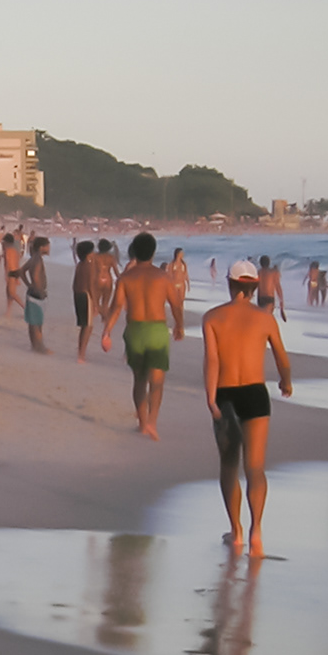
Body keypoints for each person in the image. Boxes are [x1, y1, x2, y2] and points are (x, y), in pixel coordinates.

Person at [202, 261, 292, 557]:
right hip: (255, 393)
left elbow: (212, 360)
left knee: (229, 466)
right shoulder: (265, 319)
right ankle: (256, 531)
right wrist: (286, 382)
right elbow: (281, 357)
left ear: (229, 284)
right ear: (254, 287)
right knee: (255, 467)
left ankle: (236, 530)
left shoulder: (212, 317)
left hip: (225, 394)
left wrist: (211, 398)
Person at [100, 232, 187, 440]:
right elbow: (176, 304)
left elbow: (117, 307)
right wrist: (179, 326)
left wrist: (107, 331)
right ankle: (152, 422)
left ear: (134, 252)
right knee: (157, 380)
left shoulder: (126, 278)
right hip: (157, 330)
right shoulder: (163, 277)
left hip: (135, 330)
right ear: (153, 252)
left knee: (139, 379)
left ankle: (142, 423)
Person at [11, 236, 50, 354]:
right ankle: (40, 347)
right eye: (47, 246)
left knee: (34, 322)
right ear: (41, 247)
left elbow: (21, 271)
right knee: (37, 323)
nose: (49, 248)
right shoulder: (37, 260)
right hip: (37, 294)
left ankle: (35, 346)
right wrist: (38, 289)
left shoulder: (34, 258)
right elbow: (36, 276)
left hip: (32, 292)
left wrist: (28, 284)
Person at [72, 241, 97, 362]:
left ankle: (80, 352)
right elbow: (91, 285)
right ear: (88, 254)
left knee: (84, 325)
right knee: (88, 326)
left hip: (77, 294)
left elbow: (74, 283)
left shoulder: (79, 265)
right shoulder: (89, 266)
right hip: (85, 295)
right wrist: (95, 302)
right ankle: (81, 354)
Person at [257, 255, 286, 321]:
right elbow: (278, 288)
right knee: (267, 318)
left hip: (260, 299)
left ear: (260, 263)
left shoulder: (258, 272)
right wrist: (281, 305)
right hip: (269, 298)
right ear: (269, 263)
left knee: (262, 319)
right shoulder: (274, 273)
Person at [1, 232, 23, 315]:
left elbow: (8, 263)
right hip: (16, 271)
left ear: (6, 242)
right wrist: (18, 277)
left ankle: (25, 308)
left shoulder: (7, 251)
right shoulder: (15, 251)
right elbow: (17, 262)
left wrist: (6, 274)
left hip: (11, 272)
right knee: (9, 293)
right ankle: (8, 311)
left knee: (12, 293)